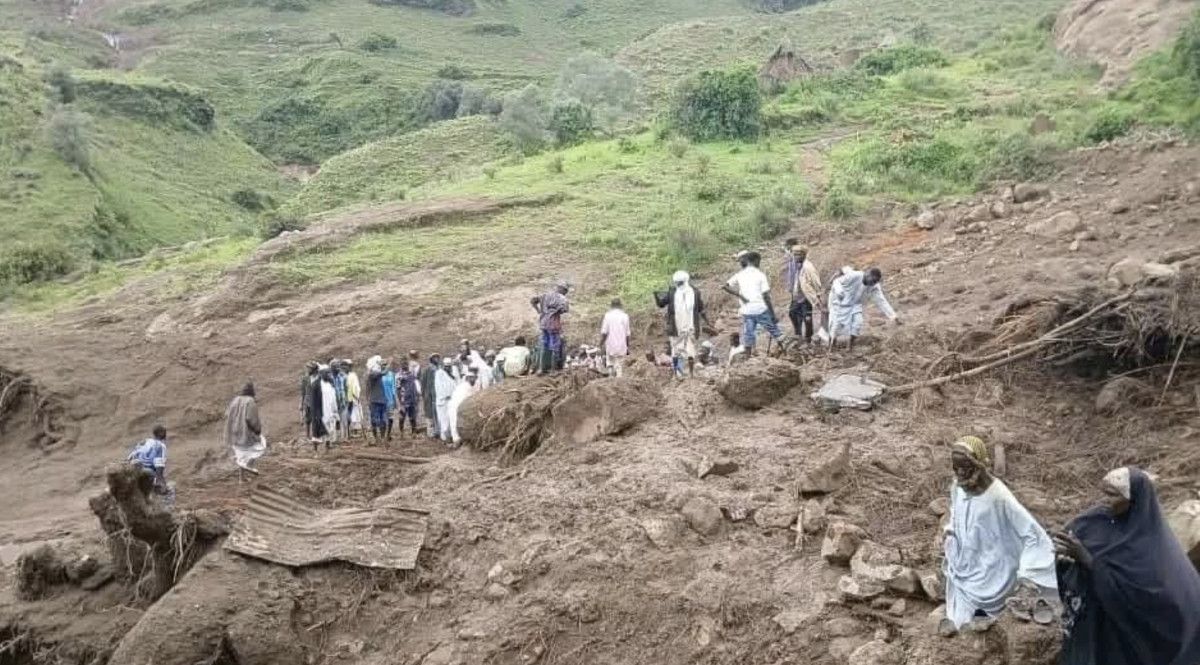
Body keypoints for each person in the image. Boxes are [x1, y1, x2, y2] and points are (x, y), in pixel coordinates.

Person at [1053, 467, 1200, 665]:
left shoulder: (1150, 544)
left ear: (1134, 501)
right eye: (1104, 492)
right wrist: (1065, 558)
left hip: (1125, 636)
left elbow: (1141, 597)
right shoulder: (1096, 519)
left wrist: (1088, 560)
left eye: (1113, 495)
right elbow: (1071, 539)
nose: (1105, 499)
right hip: (1092, 623)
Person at [941, 436, 1057, 634]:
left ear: (978, 465)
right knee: (959, 616)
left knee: (980, 609)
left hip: (995, 569)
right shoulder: (958, 487)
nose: (960, 473)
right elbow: (957, 512)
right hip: (967, 562)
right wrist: (951, 532)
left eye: (965, 467)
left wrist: (1027, 573)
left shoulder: (998, 496)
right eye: (956, 467)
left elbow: (1032, 534)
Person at [722, 251, 783, 355]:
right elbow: (766, 296)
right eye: (759, 261)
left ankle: (748, 358)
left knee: (748, 334)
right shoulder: (760, 275)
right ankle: (786, 351)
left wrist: (740, 295)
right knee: (774, 331)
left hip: (747, 310)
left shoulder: (740, 274)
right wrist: (772, 314)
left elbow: (725, 286)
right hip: (760, 309)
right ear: (755, 261)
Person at [655, 271, 714, 378]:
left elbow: (661, 304)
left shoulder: (672, 292)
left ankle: (677, 375)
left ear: (675, 282)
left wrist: (656, 295)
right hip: (691, 326)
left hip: (676, 327)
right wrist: (708, 322)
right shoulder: (695, 292)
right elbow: (701, 309)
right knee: (690, 349)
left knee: (675, 350)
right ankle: (691, 373)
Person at [827, 267, 900, 351]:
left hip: (855, 304)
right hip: (839, 301)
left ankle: (849, 346)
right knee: (835, 325)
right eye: (872, 281)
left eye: (875, 282)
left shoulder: (874, 286)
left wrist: (894, 316)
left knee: (857, 323)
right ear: (867, 274)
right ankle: (831, 347)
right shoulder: (855, 275)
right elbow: (837, 281)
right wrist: (839, 292)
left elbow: (881, 301)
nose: (872, 283)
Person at [784, 242, 824, 342]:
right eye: (795, 254)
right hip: (797, 295)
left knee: (807, 317)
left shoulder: (808, 267)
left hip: (806, 296)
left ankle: (808, 337)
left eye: (798, 254)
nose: (796, 256)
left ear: (804, 255)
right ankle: (798, 333)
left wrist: (818, 295)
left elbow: (816, 281)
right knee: (792, 313)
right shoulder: (794, 264)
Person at [224, 382, 265, 479]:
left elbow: (227, 414)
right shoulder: (250, 401)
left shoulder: (235, 400)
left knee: (240, 454)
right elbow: (251, 418)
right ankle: (249, 466)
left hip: (233, 433)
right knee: (258, 446)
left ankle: (241, 478)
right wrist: (257, 430)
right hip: (245, 432)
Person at [531, 281, 571, 374]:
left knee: (544, 345)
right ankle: (553, 370)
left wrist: (539, 311)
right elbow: (564, 309)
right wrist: (556, 311)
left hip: (543, 323)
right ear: (563, 289)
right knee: (555, 347)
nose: (565, 293)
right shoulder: (562, 298)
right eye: (565, 291)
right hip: (553, 324)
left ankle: (541, 369)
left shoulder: (545, 295)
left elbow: (532, 301)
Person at [127, 425, 173, 504]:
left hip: (130, 471)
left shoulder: (144, 441)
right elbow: (159, 468)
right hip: (145, 473)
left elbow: (130, 457)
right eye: (165, 432)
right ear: (161, 433)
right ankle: (166, 510)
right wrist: (162, 484)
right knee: (169, 491)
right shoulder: (160, 446)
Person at [447, 368, 480, 445]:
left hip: (463, 406)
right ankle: (455, 441)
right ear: (467, 378)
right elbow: (466, 399)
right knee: (454, 423)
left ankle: (461, 440)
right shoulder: (464, 387)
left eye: (473, 377)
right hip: (455, 406)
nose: (472, 379)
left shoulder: (474, 385)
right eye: (470, 377)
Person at [600, 298, 632, 378]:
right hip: (622, 345)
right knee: (619, 365)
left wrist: (601, 343)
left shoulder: (607, 316)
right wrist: (628, 346)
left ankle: (610, 377)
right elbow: (627, 334)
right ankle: (618, 381)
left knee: (610, 362)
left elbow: (604, 332)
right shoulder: (625, 316)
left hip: (610, 344)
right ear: (620, 306)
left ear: (611, 306)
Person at [315, 365, 339, 451]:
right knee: (325, 428)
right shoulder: (318, 385)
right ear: (321, 374)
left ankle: (328, 444)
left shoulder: (330, 384)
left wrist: (335, 410)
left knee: (332, 427)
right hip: (323, 410)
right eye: (326, 373)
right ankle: (325, 445)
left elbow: (333, 398)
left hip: (331, 410)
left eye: (329, 372)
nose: (328, 374)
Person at [434, 358, 457, 443]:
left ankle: (451, 437)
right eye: (446, 366)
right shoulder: (439, 373)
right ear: (443, 366)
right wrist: (445, 395)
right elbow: (438, 387)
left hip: (451, 401)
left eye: (449, 366)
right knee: (444, 421)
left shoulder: (453, 373)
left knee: (451, 419)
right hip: (443, 401)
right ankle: (445, 439)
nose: (448, 368)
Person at [419, 354, 442, 439]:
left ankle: (438, 431)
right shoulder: (427, 370)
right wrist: (424, 394)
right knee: (429, 415)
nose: (436, 359)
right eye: (434, 358)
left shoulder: (440, 369)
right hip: (429, 396)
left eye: (437, 357)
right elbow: (423, 383)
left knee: (439, 414)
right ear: (431, 359)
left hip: (438, 395)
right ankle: (431, 433)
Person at [396, 361, 420, 436]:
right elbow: (397, 388)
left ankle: (414, 432)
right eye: (403, 364)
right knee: (402, 417)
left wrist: (416, 397)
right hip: (403, 399)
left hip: (412, 398)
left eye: (406, 364)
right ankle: (401, 432)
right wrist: (400, 401)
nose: (405, 366)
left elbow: (415, 386)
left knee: (413, 417)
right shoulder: (399, 376)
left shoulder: (412, 374)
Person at [343, 360, 363, 437]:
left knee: (354, 414)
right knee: (347, 415)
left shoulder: (353, 375)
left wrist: (356, 395)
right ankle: (347, 432)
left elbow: (356, 386)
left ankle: (355, 431)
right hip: (346, 398)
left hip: (353, 397)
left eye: (349, 366)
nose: (348, 368)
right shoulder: (343, 376)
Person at [300, 362, 317, 438]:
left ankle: (314, 434)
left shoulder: (317, 378)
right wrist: (301, 403)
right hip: (307, 401)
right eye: (307, 368)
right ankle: (307, 435)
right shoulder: (305, 378)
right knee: (307, 419)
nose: (308, 369)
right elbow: (302, 391)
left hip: (315, 400)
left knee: (314, 419)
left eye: (309, 368)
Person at [382, 358, 398, 440]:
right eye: (382, 365)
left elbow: (393, 388)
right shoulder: (380, 375)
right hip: (382, 400)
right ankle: (383, 434)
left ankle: (388, 434)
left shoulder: (391, 374)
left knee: (390, 417)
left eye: (385, 365)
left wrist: (395, 400)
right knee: (383, 418)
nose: (384, 366)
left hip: (390, 399)